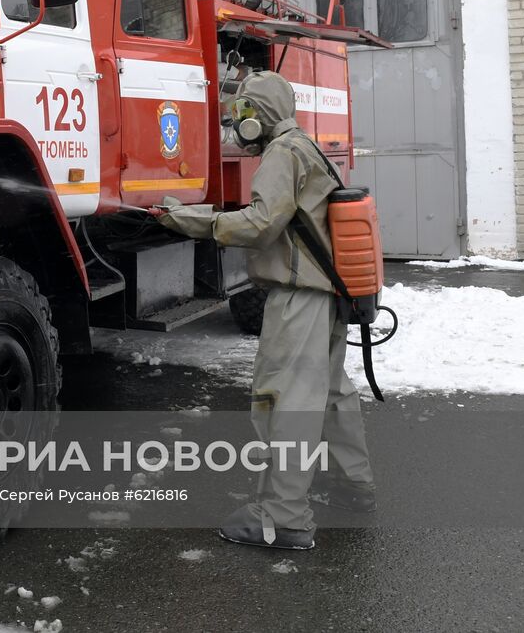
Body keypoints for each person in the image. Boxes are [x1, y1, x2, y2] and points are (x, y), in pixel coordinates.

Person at [155, 70, 374, 550]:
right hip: (330, 294)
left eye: (241, 115)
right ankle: (351, 485)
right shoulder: (306, 146)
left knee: (285, 400)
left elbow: (260, 224)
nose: (237, 126)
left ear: (258, 115)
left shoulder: (281, 154)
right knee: (333, 393)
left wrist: (186, 218)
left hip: (299, 297)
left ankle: (283, 518)